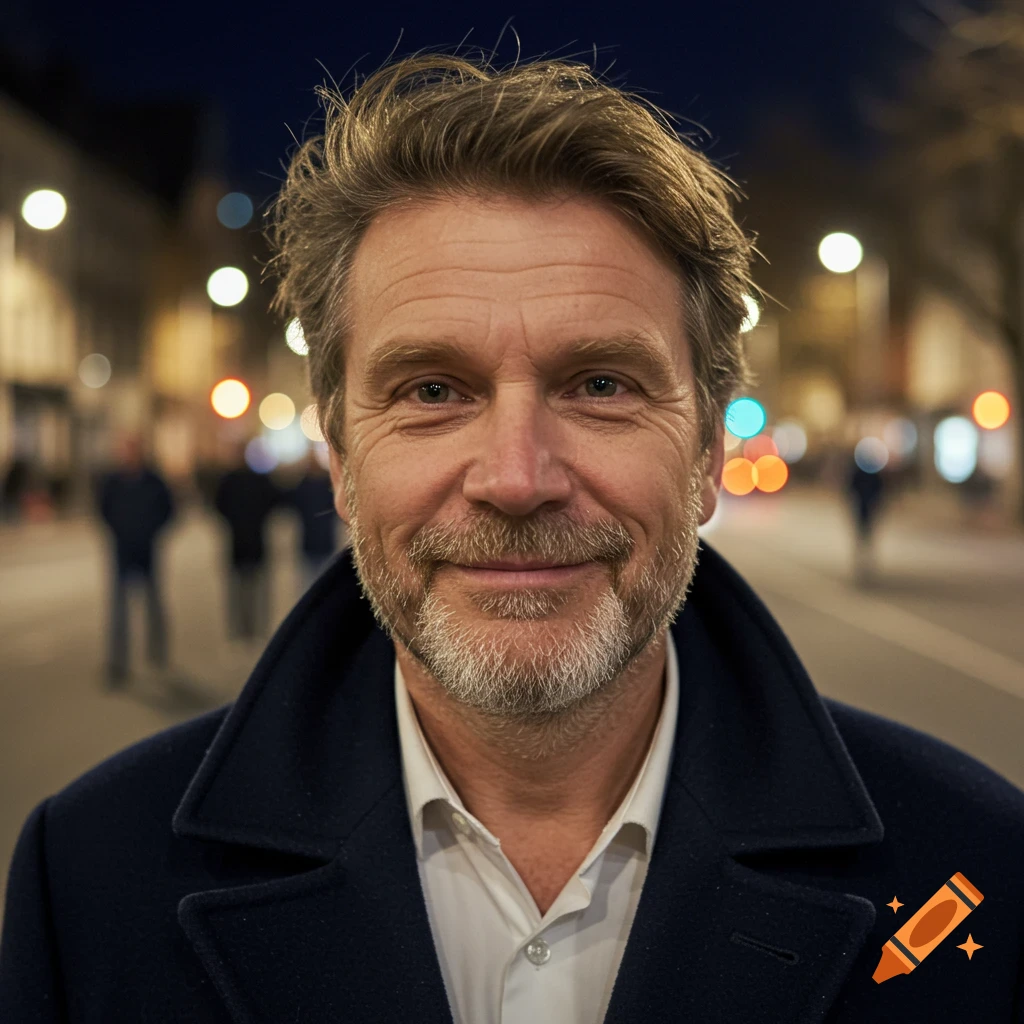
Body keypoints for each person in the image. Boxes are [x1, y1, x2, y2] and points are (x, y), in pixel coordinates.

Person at [3, 54, 1023, 1024]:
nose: (516, 478)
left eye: (600, 385)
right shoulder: (89, 879)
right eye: (433, 391)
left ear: (708, 450)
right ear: (344, 459)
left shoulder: (978, 864)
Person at [96, 435, 174, 685]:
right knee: (119, 609)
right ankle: (118, 662)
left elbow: (169, 510)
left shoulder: (153, 481)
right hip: (122, 550)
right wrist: (118, 530)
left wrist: (152, 530)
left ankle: (157, 653)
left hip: (147, 550)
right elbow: (102, 510)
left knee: (154, 604)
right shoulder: (113, 482)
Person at [213, 445, 281, 640]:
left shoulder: (237, 479)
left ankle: (248, 626)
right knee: (244, 588)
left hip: (249, 542)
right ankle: (246, 626)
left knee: (249, 588)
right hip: (244, 542)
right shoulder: (234, 480)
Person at [288, 449, 340, 589]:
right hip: (310, 539)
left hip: (323, 538)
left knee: (323, 577)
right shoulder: (305, 485)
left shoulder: (324, 485)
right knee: (309, 578)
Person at [846, 452, 886, 584]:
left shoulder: (871, 475)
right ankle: (863, 559)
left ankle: (864, 558)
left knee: (865, 533)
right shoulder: (862, 474)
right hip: (863, 507)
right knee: (863, 533)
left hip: (866, 508)